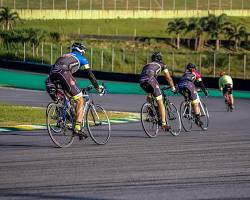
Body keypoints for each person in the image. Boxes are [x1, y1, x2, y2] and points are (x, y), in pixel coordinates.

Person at [45, 42, 104, 138]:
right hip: (64, 73)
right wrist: (97, 87)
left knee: (68, 97)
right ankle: (77, 127)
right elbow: (90, 75)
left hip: (52, 76)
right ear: (81, 50)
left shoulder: (64, 55)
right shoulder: (81, 58)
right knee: (80, 100)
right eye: (83, 50)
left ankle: (64, 115)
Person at [139, 52, 176, 131]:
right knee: (160, 102)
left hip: (142, 81)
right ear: (160, 58)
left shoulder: (146, 65)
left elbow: (144, 74)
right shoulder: (162, 64)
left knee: (150, 93)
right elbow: (168, 78)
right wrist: (173, 87)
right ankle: (163, 124)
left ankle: (150, 110)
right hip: (151, 80)